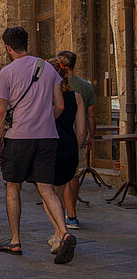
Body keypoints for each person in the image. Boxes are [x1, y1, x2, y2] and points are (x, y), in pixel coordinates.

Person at [0, 27, 75, 264]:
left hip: (18, 137)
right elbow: (59, 106)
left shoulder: (6, 73)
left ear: (8, 48)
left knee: (13, 187)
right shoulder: (49, 68)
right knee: (46, 187)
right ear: (27, 43)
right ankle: (64, 231)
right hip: (48, 136)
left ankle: (15, 240)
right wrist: (45, 120)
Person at [47, 58, 85, 257]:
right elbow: (80, 131)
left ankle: (61, 234)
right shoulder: (76, 97)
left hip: (50, 146)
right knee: (59, 193)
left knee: (48, 193)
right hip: (69, 147)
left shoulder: (47, 97)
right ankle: (58, 233)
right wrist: (75, 148)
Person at [57, 50, 94, 230]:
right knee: (73, 176)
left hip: (57, 139)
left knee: (58, 183)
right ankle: (72, 214)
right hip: (74, 140)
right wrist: (89, 136)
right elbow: (91, 116)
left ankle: (65, 219)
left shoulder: (54, 87)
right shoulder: (84, 87)